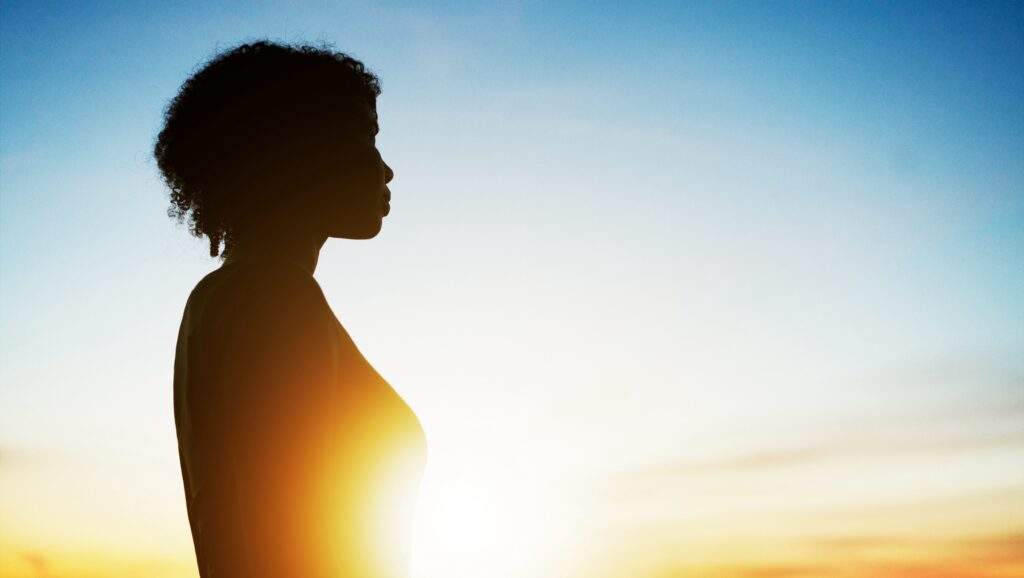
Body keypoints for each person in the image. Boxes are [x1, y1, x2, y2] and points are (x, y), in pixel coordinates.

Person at [155, 41, 426, 577]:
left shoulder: (226, 295)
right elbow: (270, 538)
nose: (387, 169)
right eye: (366, 135)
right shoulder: (271, 294)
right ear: (304, 146)